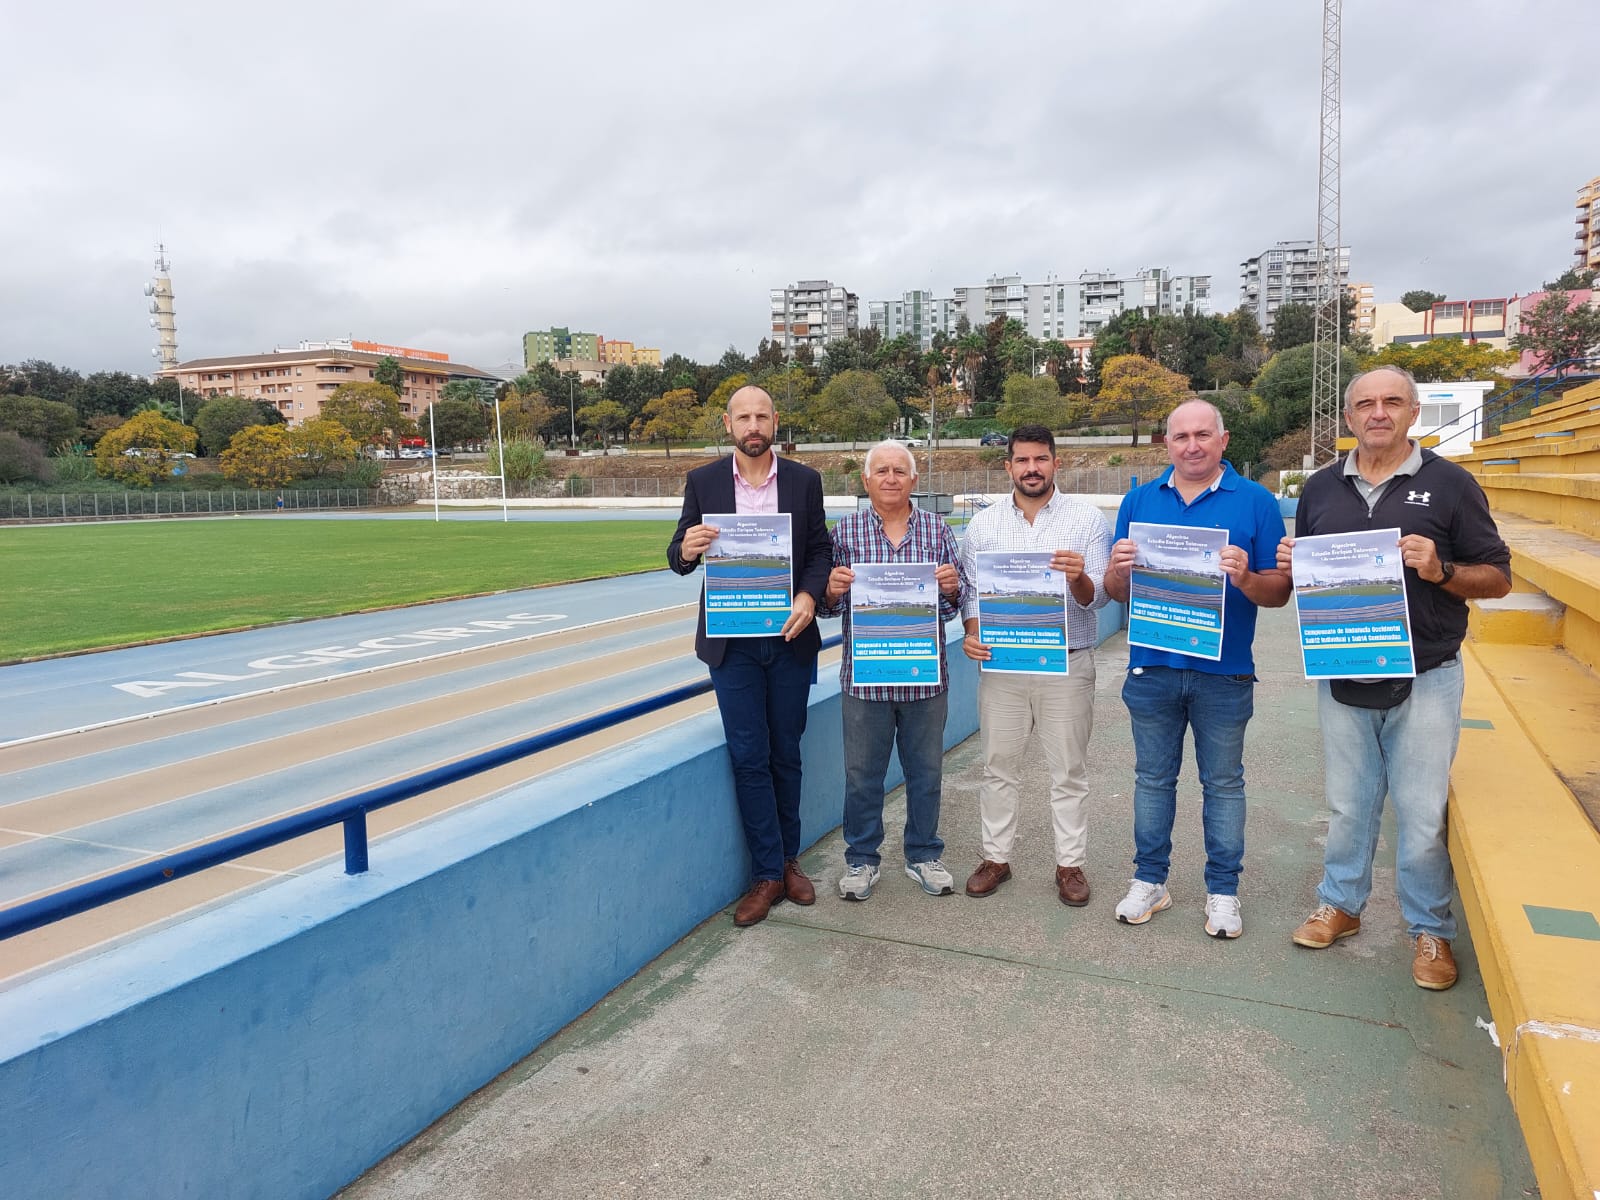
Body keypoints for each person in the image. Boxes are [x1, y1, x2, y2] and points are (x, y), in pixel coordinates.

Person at [1281, 365, 1510, 989]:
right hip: (1344, 671)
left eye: (1391, 402)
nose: (1377, 413)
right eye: (1364, 404)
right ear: (1348, 418)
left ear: (1412, 413)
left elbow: (1497, 577)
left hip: (1428, 674)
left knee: (1420, 812)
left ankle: (1429, 931)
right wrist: (1293, 567)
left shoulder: (1452, 485)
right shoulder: (1322, 489)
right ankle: (1343, 905)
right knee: (1348, 806)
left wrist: (1440, 570)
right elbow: (1311, 581)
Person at [1102, 399, 1291, 939]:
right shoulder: (1138, 501)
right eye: (1181, 436)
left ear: (1223, 440)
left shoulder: (1256, 502)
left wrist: (1247, 580)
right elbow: (1117, 593)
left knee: (1224, 784)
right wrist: (1119, 570)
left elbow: (1279, 592)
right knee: (1152, 780)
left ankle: (1223, 891)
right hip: (1153, 668)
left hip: (1224, 672)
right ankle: (1150, 881)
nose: (1192, 445)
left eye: (1202, 435)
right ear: (1167, 444)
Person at [668, 386, 832, 928]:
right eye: (744, 417)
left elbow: (820, 551)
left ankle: (789, 861)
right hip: (731, 645)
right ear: (728, 423)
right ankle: (765, 873)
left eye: (762, 415)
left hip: (788, 638)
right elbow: (678, 554)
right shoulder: (703, 481)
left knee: (786, 751)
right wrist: (687, 550)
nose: (754, 425)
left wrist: (809, 596)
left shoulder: (806, 481)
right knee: (748, 755)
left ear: (775, 421)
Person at [958, 424, 1111, 905]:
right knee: (998, 767)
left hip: (1066, 664)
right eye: (1022, 460)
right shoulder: (983, 525)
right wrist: (972, 631)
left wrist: (1079, 577)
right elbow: (970, 591)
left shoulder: (1086, 520)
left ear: (1055, 462)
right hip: (1002, 665)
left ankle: (1070, 865)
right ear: (1008, 466)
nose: (1031, 468)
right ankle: (995, 857)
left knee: (1068, 770)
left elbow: (1099, 598)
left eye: (1040, 459)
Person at [818, 440, 969, 901]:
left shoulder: (936, 532)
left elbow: (954, 606)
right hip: (865, 678)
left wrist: (949, 588)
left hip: (925, 676)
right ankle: (861, 860)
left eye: (899, 471)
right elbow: (827, 611)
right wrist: (830, 590)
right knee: (862, 774)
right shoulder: (843, 535)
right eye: (880, 470)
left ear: (913, 481)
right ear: (865, 481)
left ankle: (923, 854)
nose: (890, 478)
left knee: (925, 772)